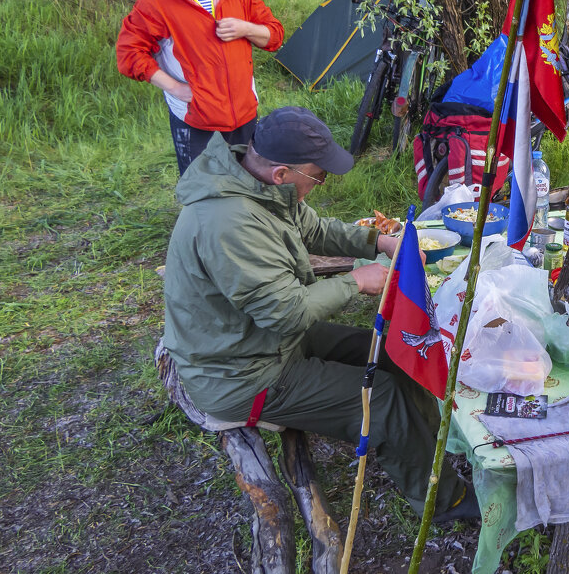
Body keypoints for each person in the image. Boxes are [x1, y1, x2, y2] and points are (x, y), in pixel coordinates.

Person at [162, 106, 477, 521]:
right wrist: (356, 282)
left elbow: (314, 229)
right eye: (319, 175)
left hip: (263, 341)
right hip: (240, 373)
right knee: (381, 401)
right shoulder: (229, 223)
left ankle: (426, 448)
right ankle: (442, 502)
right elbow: (286, 312)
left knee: (395, 350)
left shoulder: (257, 185)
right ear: (281, 173)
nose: (323, 181)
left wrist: (377, 242)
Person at [117, 0, 285, 175]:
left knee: (249, 182)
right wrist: (173, 87)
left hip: (244, 112)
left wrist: (245, 28)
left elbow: (275, 36)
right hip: (197, 117)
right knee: (203, 192)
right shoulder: (157, 1)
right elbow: (129, 54)